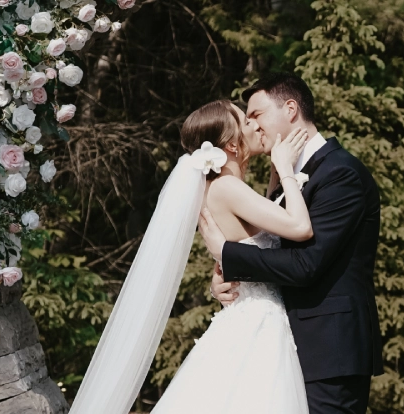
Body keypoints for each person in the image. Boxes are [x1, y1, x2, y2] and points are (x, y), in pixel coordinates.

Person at [70, 98, 312, 413]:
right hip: (258, 323)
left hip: (249, 315)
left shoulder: (223, 187)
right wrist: (285, 169)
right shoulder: (227, 187)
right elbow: (299, 226)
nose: (255, 124)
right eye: (246, 121)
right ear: (232, 145)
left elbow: (246, 245)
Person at [199, 73, 383, 414]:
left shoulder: (340, 174)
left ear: (290, 109)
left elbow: (306, 264)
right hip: (284, 346)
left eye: (256, 115)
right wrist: (225, 274)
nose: (252, 126)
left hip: (330, 350)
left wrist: (228, 255)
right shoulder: (283, 178)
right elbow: (274, 250)